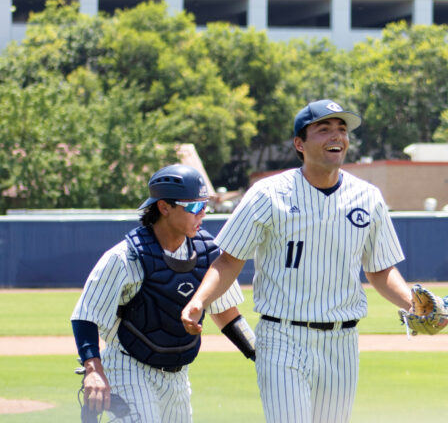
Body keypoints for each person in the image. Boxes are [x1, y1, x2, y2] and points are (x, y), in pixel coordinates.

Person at [181, 99, 413, 423]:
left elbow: (380, 269)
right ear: (299, 144)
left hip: (342, 341)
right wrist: (199, 302)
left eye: (342, 129)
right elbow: (229, 260)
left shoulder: (368, 197)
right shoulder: (268, 194)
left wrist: (414, 304)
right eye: (324, 129)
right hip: (283, 337)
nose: (337, 136)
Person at [71, 164, 256, 422]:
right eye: (193, 206)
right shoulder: (125, 257)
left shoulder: (208, 254)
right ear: (164, 207)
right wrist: (93, 370)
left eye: (205, 205)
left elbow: (226, 312)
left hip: (178, 377)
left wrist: (258, 354)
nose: (202, 213)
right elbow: (85, 315)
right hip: (129, 369)